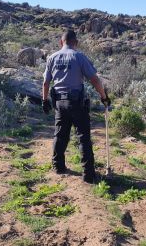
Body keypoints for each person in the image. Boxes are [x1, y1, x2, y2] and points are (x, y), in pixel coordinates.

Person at [41, 29, 111, 183]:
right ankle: (88, 175)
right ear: (76, 43)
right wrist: (104, 97)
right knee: (83, 138)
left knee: (60, 135)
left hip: (59, 103)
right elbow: (94, 80)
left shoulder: (52, 58)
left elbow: (46, 82)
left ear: (61, 42)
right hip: (77, 102)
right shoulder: (79, 56)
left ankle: (58, 166)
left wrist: (44, 100)